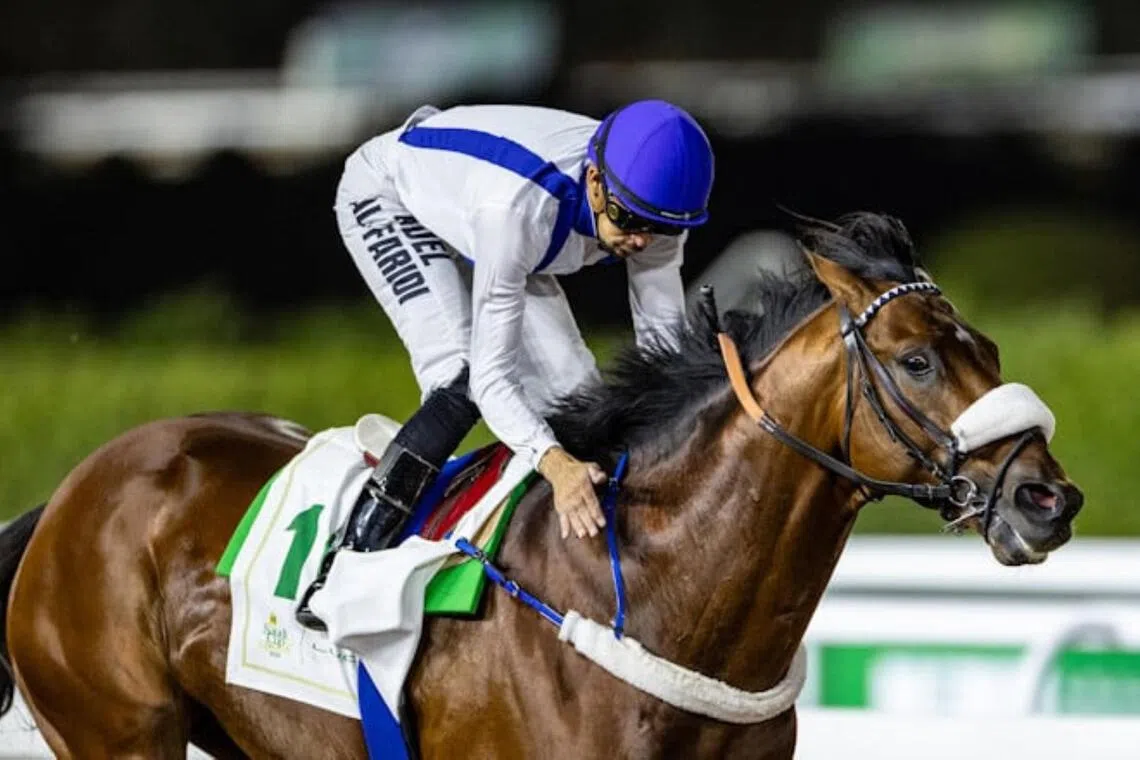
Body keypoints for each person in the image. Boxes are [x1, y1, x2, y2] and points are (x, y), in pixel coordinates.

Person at [296, 99, 715, 630]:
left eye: (657, 228)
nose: (640, 240)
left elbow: (662, 351)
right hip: (393, 199)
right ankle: (345, 567)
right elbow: (494, 380)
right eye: (629, 220)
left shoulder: (650, 207)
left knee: (580, 396)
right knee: (461, 380)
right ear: (594, 181)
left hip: (496, 224)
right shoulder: (518, 210)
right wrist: (556, 465)